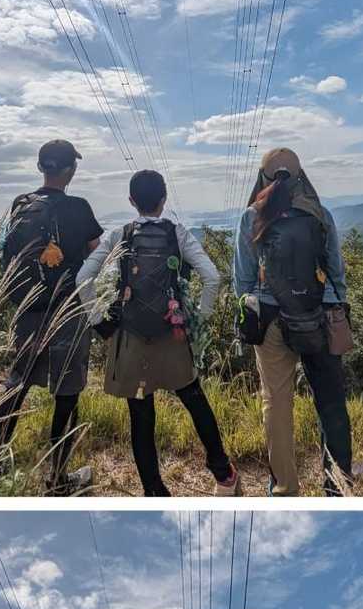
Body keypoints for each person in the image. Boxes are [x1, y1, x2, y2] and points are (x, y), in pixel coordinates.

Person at [76, 169, 240, 497]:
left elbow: (84, 277)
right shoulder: (177, 233)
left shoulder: (120, 234)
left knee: (140, 416)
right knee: (194, 399)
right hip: (173, 333)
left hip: (130, 337)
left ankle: (155, 491)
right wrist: (198, 319)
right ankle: (223, 474)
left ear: (131, 201)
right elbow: (212, 277)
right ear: (163, 200)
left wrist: (98, 321)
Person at [233, 148, 354, 496]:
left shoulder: (251, 216)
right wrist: (336, 305)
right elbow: (336, 271)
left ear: (263, 178)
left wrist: (252, 307)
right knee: (331, 402)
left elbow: (243, 279)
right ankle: (337, 487)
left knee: (276, 402)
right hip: (321, 314)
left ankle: (285, 488)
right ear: (301, 177)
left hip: (271, 316)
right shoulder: (320, 214)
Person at [0, 139, 103, 496]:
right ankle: (58, 478)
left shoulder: (21, 204)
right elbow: (96, 254)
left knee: (17, 383)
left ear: (41, 168)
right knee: (67, 393)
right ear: (71, 170)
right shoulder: (79, 207)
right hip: (68, 311)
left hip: (28, 309)